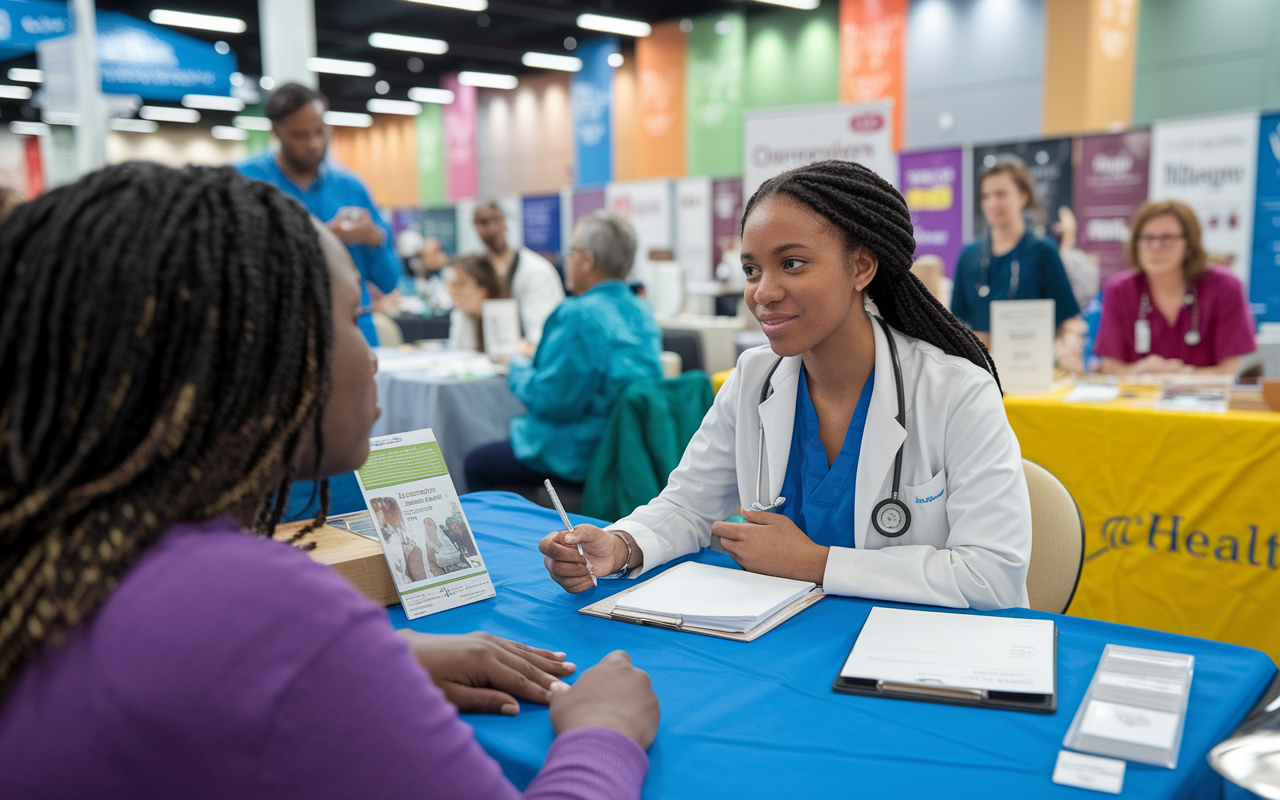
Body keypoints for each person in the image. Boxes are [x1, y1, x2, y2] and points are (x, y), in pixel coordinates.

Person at [0, 162, 659, 798]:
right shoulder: (270, 611)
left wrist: (378, 662)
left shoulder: (61, 558)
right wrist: (605, 733)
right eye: (350, 318)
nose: (371, 353)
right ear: (253, 354)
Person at [539, 161, 1032, 611]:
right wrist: (623, 544)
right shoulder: (753, 379)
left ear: (861, 266)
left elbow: (991, 577)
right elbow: (688, 506)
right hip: (785, 641)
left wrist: (817, 563)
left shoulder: (957, 392)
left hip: (924, 657)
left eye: (791, 263)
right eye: (752, 269)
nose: (763, 293)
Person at [465, 212, 663, 492]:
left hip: (581, 454)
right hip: (630, 448)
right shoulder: (640, 309)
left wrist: (517, 365)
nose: (567, 260)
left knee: (476, 462)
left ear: (588, 260)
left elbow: (553, 402)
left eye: (571, 251)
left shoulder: (579, 315)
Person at [237, 82, 400, 347]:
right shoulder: (246, 183)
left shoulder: (351, 187)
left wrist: (375, 239)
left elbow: (389, 280)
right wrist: (324, 238)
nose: (313, 143)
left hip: (352, 335)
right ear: (277, 132)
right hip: (279, 337)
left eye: (320, 132)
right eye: (300, 135)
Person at [1094, 200, 1256, 375]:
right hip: (1138, 400)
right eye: (1147, 238)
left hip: (1203, 400)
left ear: (1189, 245)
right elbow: (1112, 369)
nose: (1155, 246)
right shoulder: (1119, 290)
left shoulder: (1225, 287)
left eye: (1167, 238)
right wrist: (1139, 371)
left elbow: (1227, 372)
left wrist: (1175, 377)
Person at [951, 156, 1080, 346]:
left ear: (1023, 196)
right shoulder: (969, 255)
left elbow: (1067, 319)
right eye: (986, 196)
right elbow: (957, 322)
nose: (993, 203)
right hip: (979, 369)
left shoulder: (1042, 251)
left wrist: (1071, 342)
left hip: (1030, 367)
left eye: (1001, 194)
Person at [454, 201, 565, 351]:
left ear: (505, 221)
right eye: (482, 223)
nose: (491, 228)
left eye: (496, 219)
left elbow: (541, 335)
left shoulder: (535, 271)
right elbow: (461, 345)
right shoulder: (476, 271)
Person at [447, 254, 507, 353]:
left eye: (461, 284)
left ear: (483, 289)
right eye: (453, 285)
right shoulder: (462, 315)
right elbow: (458, 353)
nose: (454, 292)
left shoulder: (502, 316)